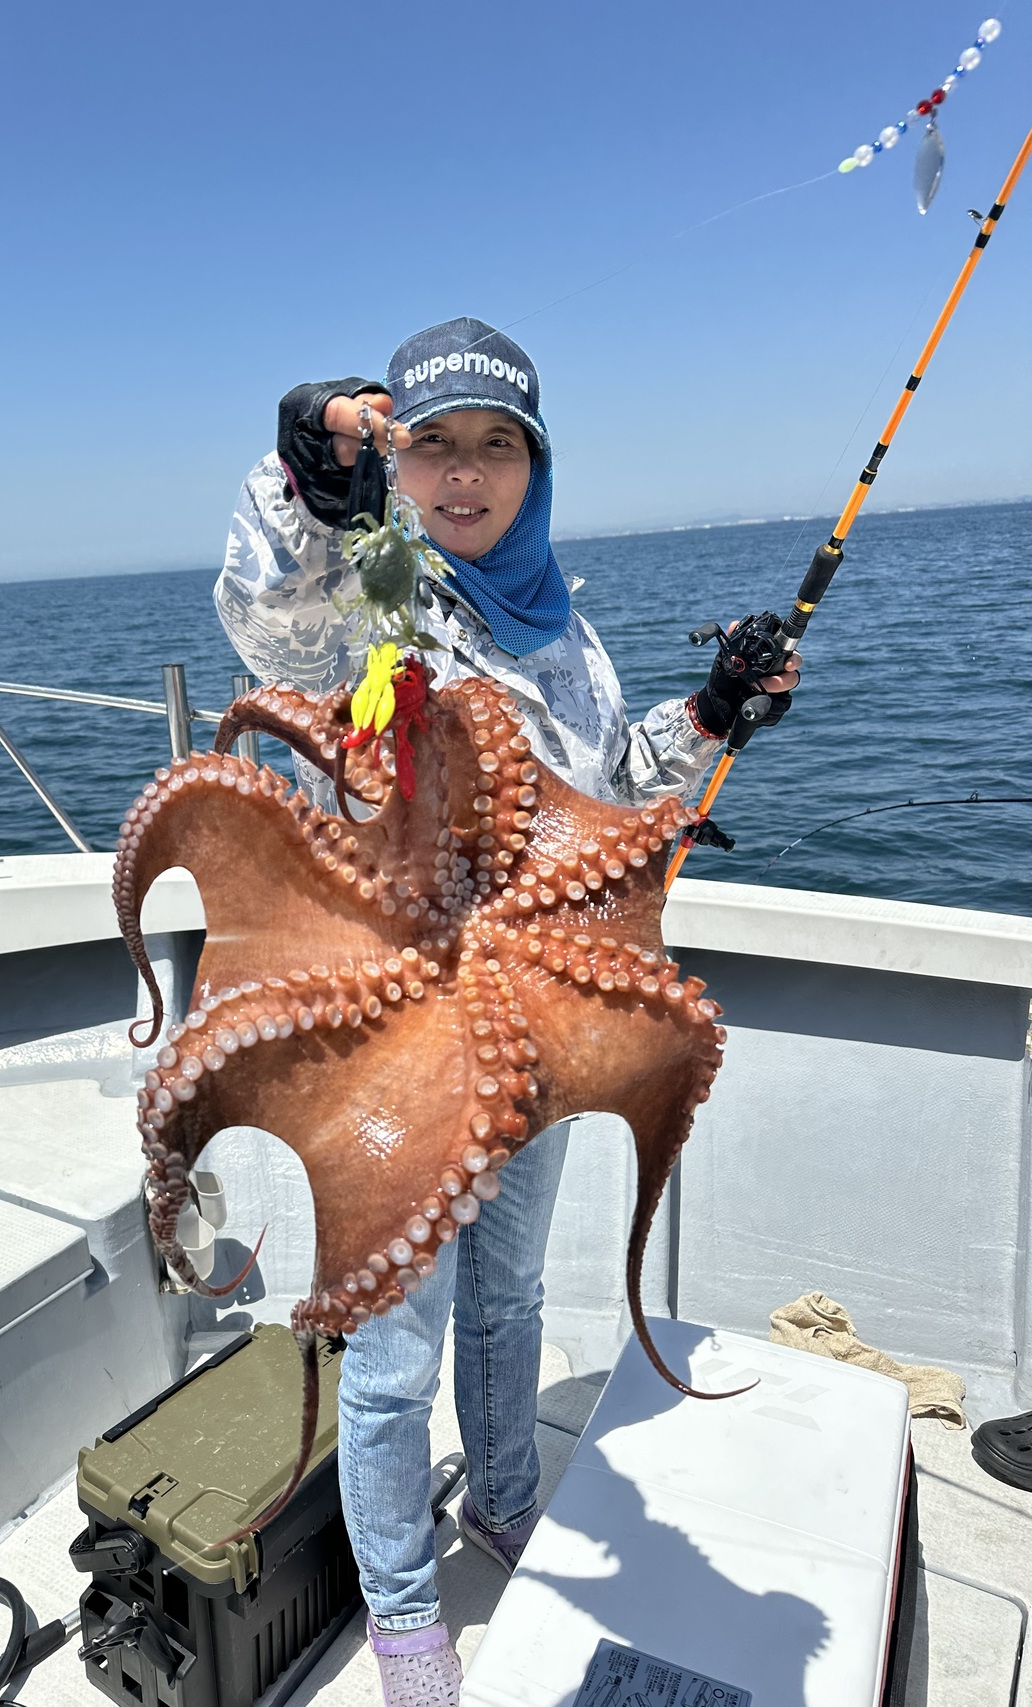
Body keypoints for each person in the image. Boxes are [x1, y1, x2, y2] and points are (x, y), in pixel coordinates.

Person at [214, 317, 800, 1707]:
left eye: (497, 447)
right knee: (393, 1334)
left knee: (512, 1289)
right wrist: (302, 484)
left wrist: (711, 712)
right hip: (398, 1035)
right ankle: (405, 1609)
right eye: (433, 448)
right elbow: (273, 617)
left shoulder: (568, 628)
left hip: (528, 1019)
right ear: (396, 466)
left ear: (536, 467)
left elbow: (604, 770)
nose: (464, 478)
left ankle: (504, 1498)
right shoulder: (378, 593)